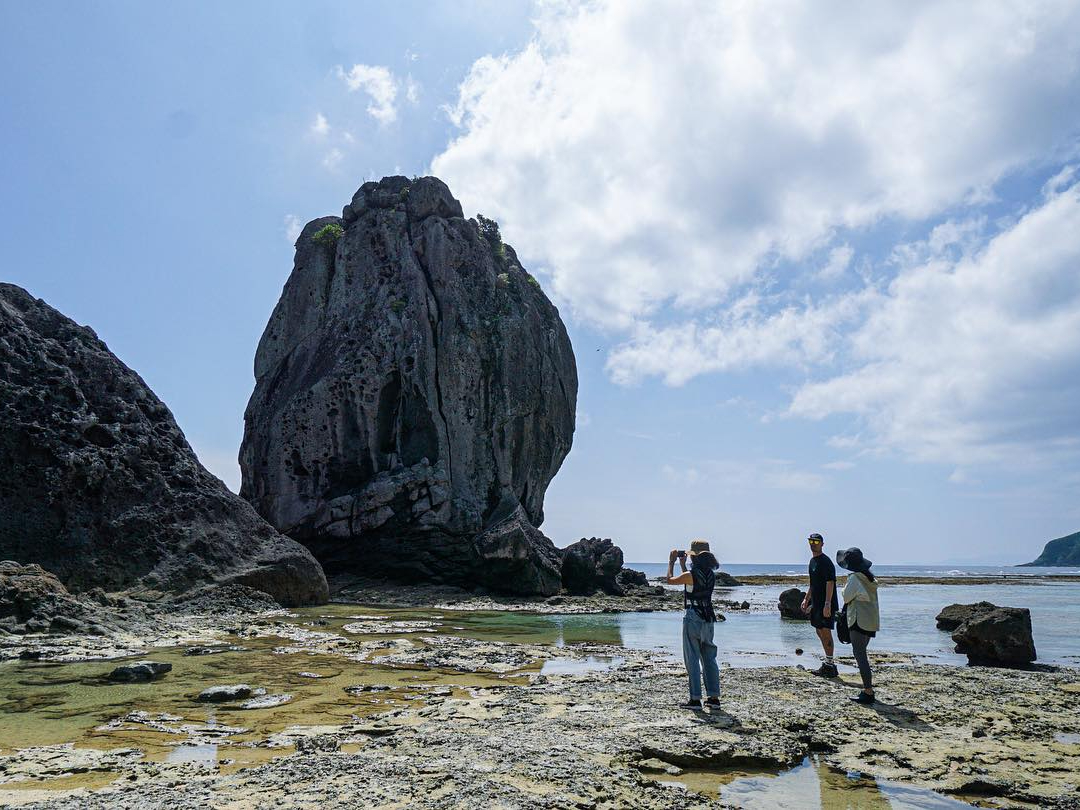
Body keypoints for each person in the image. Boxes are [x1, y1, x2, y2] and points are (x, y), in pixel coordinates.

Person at [666, 539, 721, 709]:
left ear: (694, 557)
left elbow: (670, 580)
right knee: (709, 659)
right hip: (708, 618)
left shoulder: (690, 575)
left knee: (692, 659)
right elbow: (691, 585)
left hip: (693, 618)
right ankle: (713, 698)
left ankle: (695, 699)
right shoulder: (711, 575)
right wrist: (683, 566)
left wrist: (671, 562)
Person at [838, 547, 880, 704]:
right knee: (862, 653)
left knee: (860, 655)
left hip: (858, 620)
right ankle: (867, 689)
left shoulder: (855, 578)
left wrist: (844, 588)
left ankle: (868, 691)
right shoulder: (870, 578)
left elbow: (847, 597)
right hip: (870, 621)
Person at [800, 532, 839, 678]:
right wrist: (806, 599)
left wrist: (828, 604)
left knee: (825, 631)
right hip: (816, 603)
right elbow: (812, 583)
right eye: (811, 541)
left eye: (816, 542)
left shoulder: (825, 561)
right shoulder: (812, 561)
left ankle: (830, 665)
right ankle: (828, 663)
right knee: (818, 630)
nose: (813, 544)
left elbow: (830, 582)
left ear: (822, 544)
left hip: (826, 604)